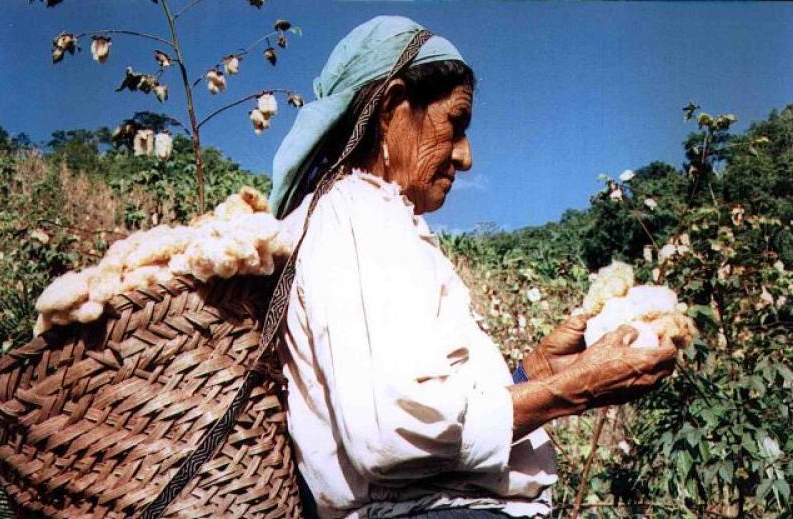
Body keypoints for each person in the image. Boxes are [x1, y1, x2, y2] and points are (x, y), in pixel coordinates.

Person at [269, 16, 678, 519]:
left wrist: (536, 371)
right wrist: (572, 388)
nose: (464, 156)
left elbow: (413, 402)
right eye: (454, 123)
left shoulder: (378, 222)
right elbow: (387, 436)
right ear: (392, 110)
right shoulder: (356, 213)